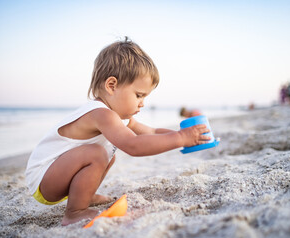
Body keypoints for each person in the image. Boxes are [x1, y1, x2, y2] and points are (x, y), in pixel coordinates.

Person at [25, 37, 210, 226]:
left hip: (59, 175)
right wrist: (180, 138)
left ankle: (84, 195)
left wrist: (185, 135)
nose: (142, 103)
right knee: (97, 154)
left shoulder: (118, 117)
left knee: (107, 155)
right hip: (44, 179)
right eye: (139, 95)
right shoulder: (100, 114)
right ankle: (75, 211)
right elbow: (134, 146)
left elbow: (151, 132)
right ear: (111, 85)